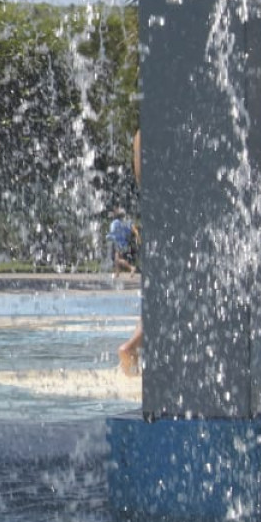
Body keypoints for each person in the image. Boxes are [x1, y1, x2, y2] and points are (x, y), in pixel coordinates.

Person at [117, 130, 144, 376]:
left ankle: (132, 356)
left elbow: (140, 178)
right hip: (174, 218)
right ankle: (131, 346)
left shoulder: (139, 133)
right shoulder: (169, 123)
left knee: (155, 296)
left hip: (152, 217)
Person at [107, 209, 138, 274]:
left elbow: (113, 233)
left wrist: (108, 236)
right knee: (117, 259)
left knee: (117, 259)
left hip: (118, 244)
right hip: (123, 243)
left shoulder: (114, 223)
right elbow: (127, 232)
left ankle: (131, 268)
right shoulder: (123, 223)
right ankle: (117, 272)